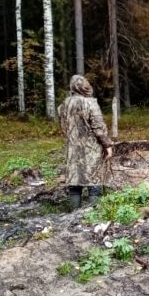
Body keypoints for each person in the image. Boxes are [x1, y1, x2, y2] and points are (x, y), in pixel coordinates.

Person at [58, 75, 113, 209]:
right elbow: (99, 128)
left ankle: (74, 213)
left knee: (74, 181)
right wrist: (107, 145)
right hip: (91, 148)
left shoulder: (64, 105)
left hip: (73, 148)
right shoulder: (90, 103)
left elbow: (63, 126)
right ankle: (93, 214)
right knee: (94, 180)